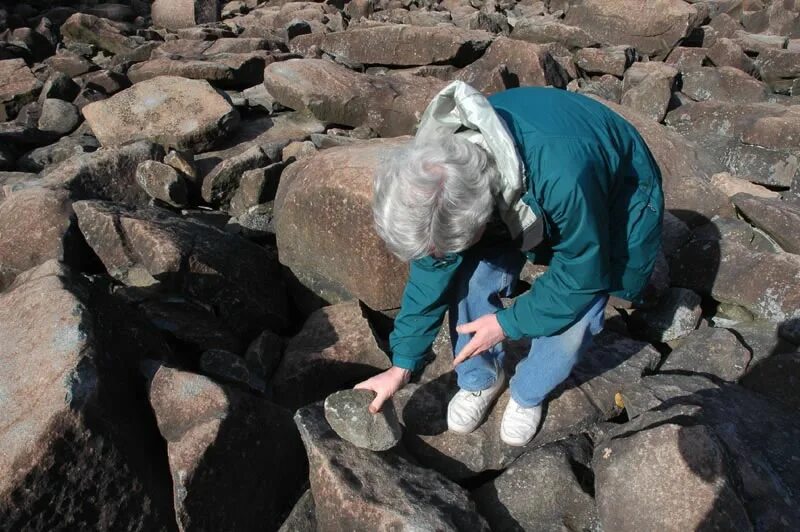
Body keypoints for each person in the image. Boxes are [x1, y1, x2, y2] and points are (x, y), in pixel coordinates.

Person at [354, 81, 663, 446]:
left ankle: (529, 391)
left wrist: (506, 323)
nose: (437, 255)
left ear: (480, 216)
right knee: (468, 278)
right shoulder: (432, 171)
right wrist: (401, 364)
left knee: (580, 307)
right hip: (524, 176)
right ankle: (480, 379)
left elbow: (582, 274)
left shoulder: (566, 179)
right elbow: (433, 267)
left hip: (611, 186)